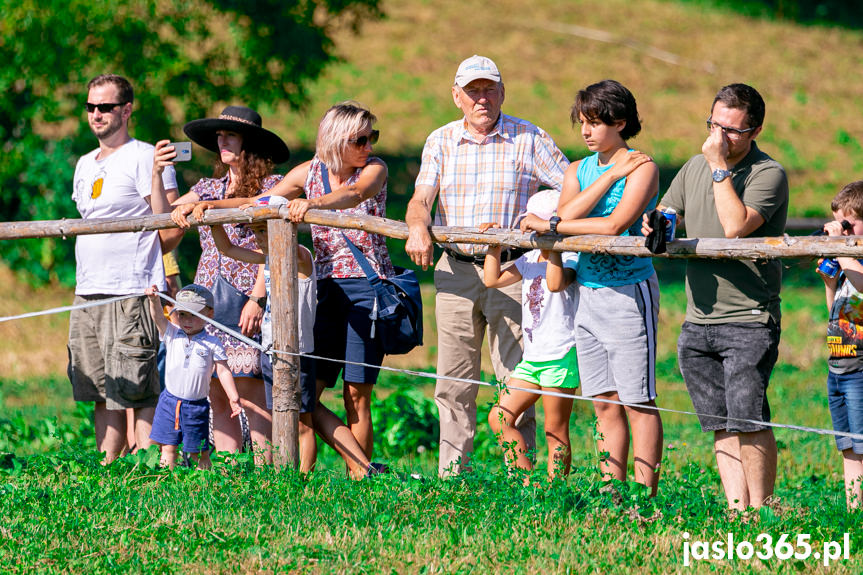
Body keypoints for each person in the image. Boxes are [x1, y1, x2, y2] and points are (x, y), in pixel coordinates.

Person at [174, 102, 388, 478]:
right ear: (337, 139)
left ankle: (360, 478)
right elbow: (259, 204)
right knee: (306, 395)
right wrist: (214, 205)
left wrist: (311, 204)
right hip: (320, 289)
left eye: (373, 137)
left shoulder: (375, 168)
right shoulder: (309, 172)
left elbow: (355, 195)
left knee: (357, 392)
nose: (369, 145)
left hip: (361, 287)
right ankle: (310, 477)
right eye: (361, 139)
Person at [405, 55, 570, 477]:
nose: (482, 98)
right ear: (456, 96)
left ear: (502, 93)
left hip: (515, 272)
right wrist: (418, 229)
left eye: (489, 89)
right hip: (455, 270)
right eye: (472, 91)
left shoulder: (528, 137)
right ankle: (451, 475)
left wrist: (548, 224)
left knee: (517, 376)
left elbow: (572, 187)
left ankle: (521, 477)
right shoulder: (439, 140)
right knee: (454, 379)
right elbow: (422, 198)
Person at [642, 83, 788, 509]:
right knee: (719, 424)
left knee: (749, 419)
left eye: (732, 130)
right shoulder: (693, 167)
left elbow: (734, 226)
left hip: (749, 318)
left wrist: (719, 166)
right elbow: (670, 211)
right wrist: (658, 222)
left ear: (755, 130)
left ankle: (762, 512)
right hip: (698, 319)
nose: (719, 137)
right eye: (713, 125)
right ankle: (736, 509)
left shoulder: (768, 173)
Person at [522, 79, 663, 495]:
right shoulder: (577, 169)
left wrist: (554, 226)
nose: (585, 131)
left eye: (594, 122)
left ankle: (644, 495)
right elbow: (566, 212)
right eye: (581, 122)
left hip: (628, 294)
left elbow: (613, 225)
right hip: (587, 295)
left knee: (638, 400)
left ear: (620, 122)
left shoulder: (643, 167)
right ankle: (610, 491)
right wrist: (604, 179)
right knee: (602, 401)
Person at [164, 105, 291, 462]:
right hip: (207, 293)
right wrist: (169, 190)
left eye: (230, 135)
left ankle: (267, 473)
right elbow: (171, 212)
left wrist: (257, 299)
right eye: (219, 136)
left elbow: (271, 249)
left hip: (247, 291)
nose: (222, 142)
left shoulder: (271, 185)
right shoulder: (207, 186)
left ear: (248, 143)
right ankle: (230, 470)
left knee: (249, 388)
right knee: (216, 387)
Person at [67, 73, 178, 464]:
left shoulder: (146, 156)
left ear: (126, 110)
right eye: (91, 106)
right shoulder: (84, 163)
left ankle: (145, 469)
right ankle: (108, 469)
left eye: (106, 107)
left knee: (136, 386)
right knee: (98, 387)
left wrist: (158, 176)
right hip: (88, 288)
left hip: (131, 288)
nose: (97, 114)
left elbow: (170, 228)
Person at [209, 195, 318, 473]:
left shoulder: (300, 255)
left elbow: (291, 244)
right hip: (271, 349)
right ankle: (283, 475)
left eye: (263, 229)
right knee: (279, 415)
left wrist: (274, 213)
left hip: (297, 350)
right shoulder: (269, 259)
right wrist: (211, 219)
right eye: (255, 231)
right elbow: (227, 249)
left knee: (301, 422)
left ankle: (300, 483)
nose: (257, 238)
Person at [483, 191, 579, 482]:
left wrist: (554, 245)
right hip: (533, 358)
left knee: (555, 430)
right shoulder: (528, 259)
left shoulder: (573, 257)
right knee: (499, 417)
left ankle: (555, 492)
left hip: (561, 355)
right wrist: (494, 245)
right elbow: (492, 279)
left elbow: (553, 284)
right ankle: (524, 484)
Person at [144, 284, 242, 469]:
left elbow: (222, 370)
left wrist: (233, 396)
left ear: (209, 314)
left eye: (194, 315)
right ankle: (168, 482)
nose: (187, 320)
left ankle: (203, 483)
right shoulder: (172, 333)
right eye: (182, 314)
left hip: (196, 406)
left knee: (198, 452)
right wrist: (154, 300)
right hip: (169, 402)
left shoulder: (212, 343)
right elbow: (157, 317)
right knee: (168, 448)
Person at [819, 181, 863, 510]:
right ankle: (853, 510)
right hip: (839, 364)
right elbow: (836, 312)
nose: (843, 230)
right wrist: (830, 285)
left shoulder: (857, 262)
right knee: (848, 446)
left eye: (849, 224)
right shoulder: (848, 265)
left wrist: (842, 248)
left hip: (860, 369)